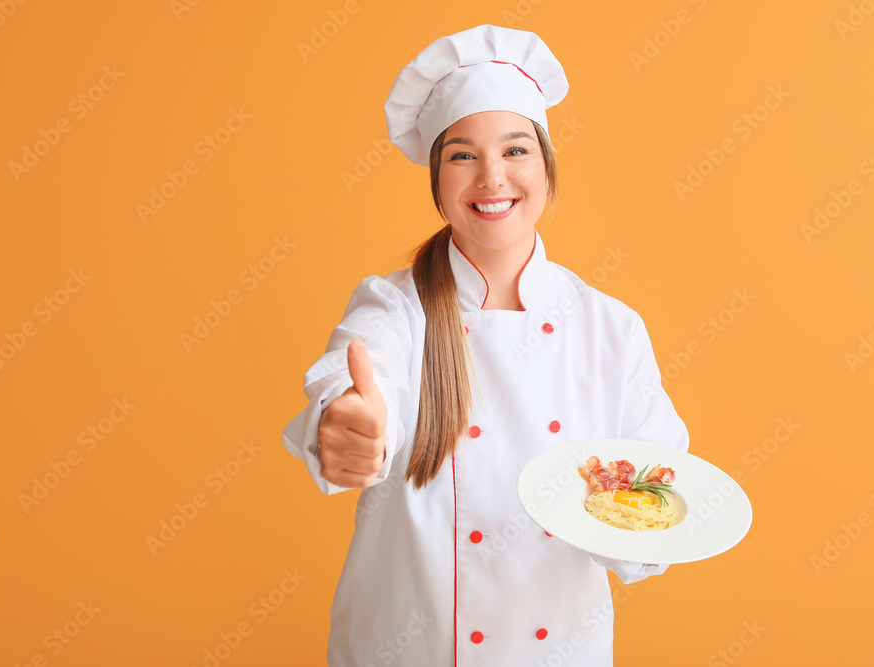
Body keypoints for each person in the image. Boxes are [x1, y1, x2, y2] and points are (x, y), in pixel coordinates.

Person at [282, 24, 689, 666]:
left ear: (548, 169)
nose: (491, 177)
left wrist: (632, 525)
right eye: (463, 155)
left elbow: (660, 496)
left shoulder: (611, 330)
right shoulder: (395, 307)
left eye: (517, 150)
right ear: (438, 181)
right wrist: (346, 423)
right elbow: (356, 375)